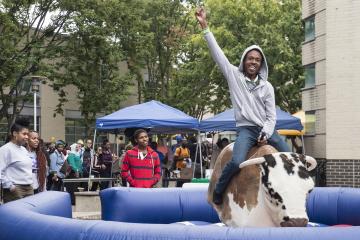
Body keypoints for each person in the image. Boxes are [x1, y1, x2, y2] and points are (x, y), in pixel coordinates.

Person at [195, 7, 291, 205]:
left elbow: (271, 117)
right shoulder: (234, 76)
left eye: (257, 59)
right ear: (244, 61)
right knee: (237, 161)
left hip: (266, 128)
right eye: (250, 58)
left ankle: (297, 190)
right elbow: (218, 54)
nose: (253, 62)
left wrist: (266, 133)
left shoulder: (267, 87)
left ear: (261, 64)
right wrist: (205, 27)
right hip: (246, 129)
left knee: (287, 154)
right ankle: (218, 191)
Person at [0, 118, 33, 203]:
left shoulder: (24, 149)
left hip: (29, 188)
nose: (27, 137)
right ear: (15, 133)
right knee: (18, 215)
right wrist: (10, 186)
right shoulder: (5, 149)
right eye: (24, 134)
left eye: (27, 134)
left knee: (29, 214)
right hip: (15, 189)